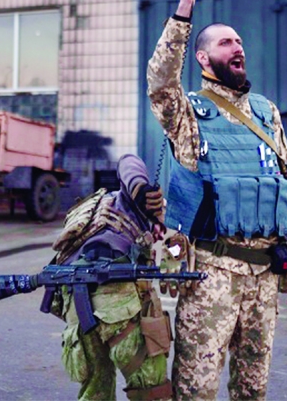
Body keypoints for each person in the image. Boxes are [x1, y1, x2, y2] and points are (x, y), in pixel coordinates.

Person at [147, 0, 287, 400]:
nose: (236, 47)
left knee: (252, 390)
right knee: (196, 390)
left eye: (239, 41)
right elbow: (160, 82)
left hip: (263, 276)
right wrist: (184, 6)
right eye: (225, 43)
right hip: (210, 277)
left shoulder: (266, 111)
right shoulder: (188, 113)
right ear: (203, 57)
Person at [49, 154, 172, 401]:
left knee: (95, 392)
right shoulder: (136, 203)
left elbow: (127, 163)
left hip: (76, 308)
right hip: (119, 307)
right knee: (152, 393)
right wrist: (141, 190)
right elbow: (130, 161)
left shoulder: (90, 211)